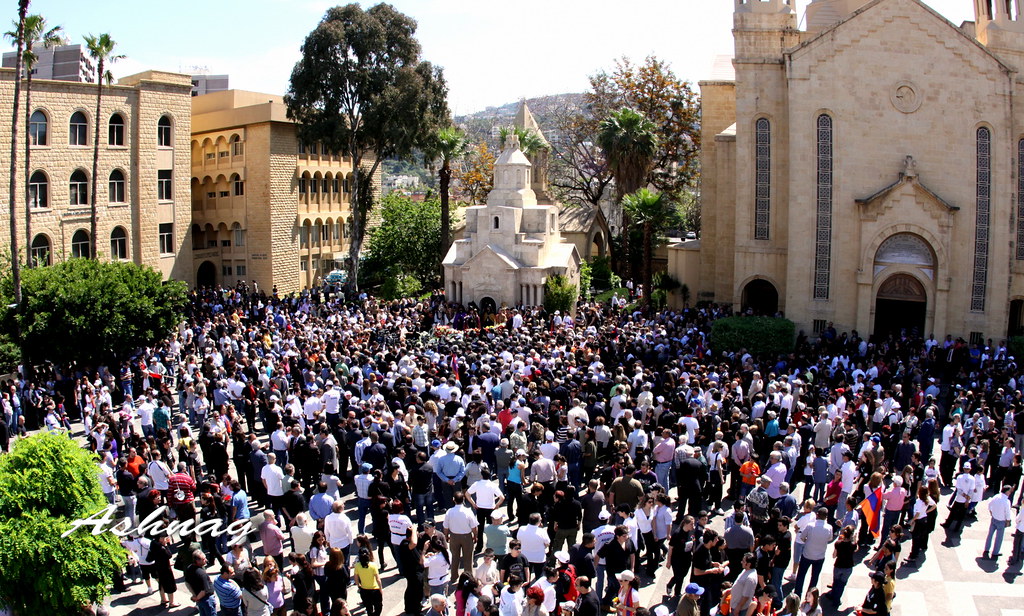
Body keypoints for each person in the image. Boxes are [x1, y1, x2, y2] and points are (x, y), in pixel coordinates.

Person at [824, 525, 856, 604]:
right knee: (842, 584)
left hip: (838, 565)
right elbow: (856, 549)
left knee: (836, 582)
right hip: (848, 567)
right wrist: (855, 539)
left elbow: (834, 555)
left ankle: (833, 595)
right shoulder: (853, 545)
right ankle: (836, 600)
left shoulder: (838, 543)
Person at [983, 485, 1014, 560]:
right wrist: (1008, 521)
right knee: (999, 538)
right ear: (1006, 491)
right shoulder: (1007, 501)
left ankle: (986, 549)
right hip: (1001, 521)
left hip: (994, 518)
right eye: (1009, 491)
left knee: (990, 534)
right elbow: (1007, 513)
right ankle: (995, 552)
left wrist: (991, 511)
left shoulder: (996, 496)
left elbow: (989, 504)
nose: (1010, 493)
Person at [149, 534, 179, 608]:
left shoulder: (153, 544)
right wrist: (165, 545)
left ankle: (163, 599)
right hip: (165, 567)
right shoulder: (161, 548)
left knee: (161, 584)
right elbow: (169, 555)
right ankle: (171, 602)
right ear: (160, 538)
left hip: (157, 566)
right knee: (169, 585)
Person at [185, 550, 217, 616]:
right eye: (203, 559)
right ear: (197, 561)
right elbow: (204, 591)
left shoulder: (189, 568)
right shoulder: (202, 574)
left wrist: (194, 596)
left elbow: (187, 583)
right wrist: (196, 598)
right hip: (207, 600)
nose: (206, 560)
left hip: (199, 599)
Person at [354, 547, 383, 616]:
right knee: (378, 606)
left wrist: (359, 586)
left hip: (364, 590)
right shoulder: (373, 565)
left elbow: (356, 578)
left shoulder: (357, 566)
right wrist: (380, 589)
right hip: (375, 589)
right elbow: (378, 579)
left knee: (368, 607)